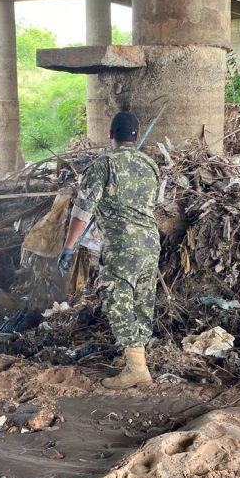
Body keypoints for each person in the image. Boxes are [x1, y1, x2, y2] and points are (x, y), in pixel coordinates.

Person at [58, 112, 160, 389]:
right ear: (136, 136)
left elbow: (82, 211)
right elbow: (154, 203)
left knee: (116, 299)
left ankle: (137, 369)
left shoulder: (103, 165)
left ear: (110, 135)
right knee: (141, 301)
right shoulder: (150, 164)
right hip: (151, 243)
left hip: (122, 245)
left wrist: (68, 247)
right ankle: (136, 359)